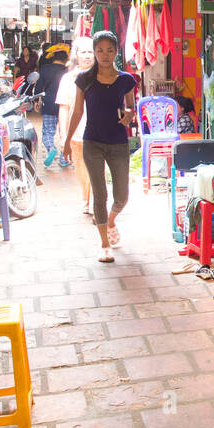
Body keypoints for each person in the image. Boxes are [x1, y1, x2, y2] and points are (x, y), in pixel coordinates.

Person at [62, 30, 137, 263]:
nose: (105, 55)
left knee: (122, 196)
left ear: (116, 52)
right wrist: (66, 141)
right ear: (94, 52)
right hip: (92, 141)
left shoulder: (126, 79)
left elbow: (130, 107)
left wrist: (127, 117)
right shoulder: (84, 79)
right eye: (100, 50)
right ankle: (104, 244)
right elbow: (77, 111)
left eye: (110, 50)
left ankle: (111, 220)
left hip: (118, 142)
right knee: (99, 194)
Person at [56, 37, 95, 215]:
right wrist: (64, 136)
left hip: (98, 133)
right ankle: (86, 198)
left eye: (90, 52)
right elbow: (64, 108)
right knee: (81, 169)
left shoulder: (103, 75)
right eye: (83, 52)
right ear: (76, 55)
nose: (87, 56)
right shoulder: (68, 79)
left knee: (97, 169)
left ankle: (96, 203)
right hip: (77, 133)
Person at [37, 46, 70, 168]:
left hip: (49, 103)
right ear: (66, 59)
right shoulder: (68, 71)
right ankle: (63, 159)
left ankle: (51, 148)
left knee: (48, 132)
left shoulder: (45, 69)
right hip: (66, 105)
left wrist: (37, 101)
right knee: (65, 132)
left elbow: (39, 87)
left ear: (53, 58)